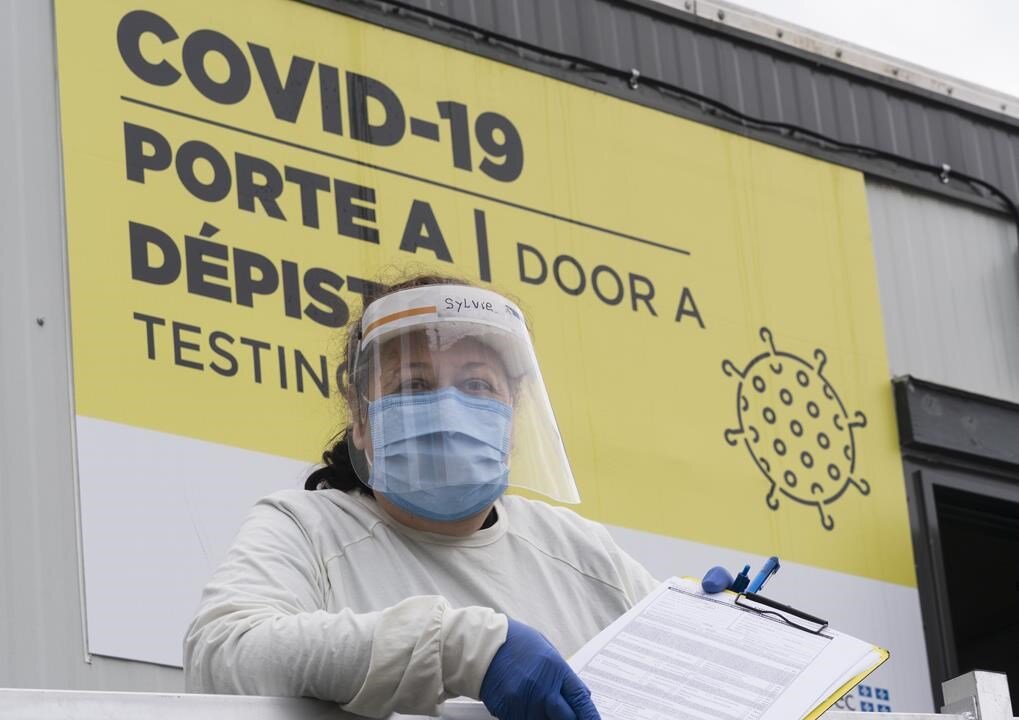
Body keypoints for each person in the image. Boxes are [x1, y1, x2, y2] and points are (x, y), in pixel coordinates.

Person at [184, 273, 660, 719]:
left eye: (477, 384)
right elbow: (222, 654)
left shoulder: (582, 553)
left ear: (513, 413)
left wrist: (723, 629)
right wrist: (460, 650)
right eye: (414, 384)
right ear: (361, 416)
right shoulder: (307, 527)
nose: (451, 409)